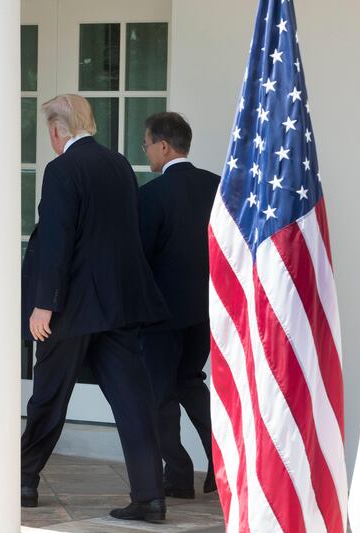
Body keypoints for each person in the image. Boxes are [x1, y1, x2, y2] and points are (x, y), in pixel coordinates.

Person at [20, 94, 170, 523]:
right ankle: (150, 495)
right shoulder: (119, 164)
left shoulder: (62, 168)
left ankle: (25, 480)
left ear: (55, 131)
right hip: (117, 305)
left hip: (70, 309)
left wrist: (43, 305)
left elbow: (57, 240)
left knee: (49, 396)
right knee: (133, 400)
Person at [138, 112, 220, 499]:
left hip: (161, 314)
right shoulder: (218, 187)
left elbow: (142, 257)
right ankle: (220, 466)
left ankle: (179, 473)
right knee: (191, 382)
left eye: (147, 143)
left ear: (164, 146)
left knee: (160, 393)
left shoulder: (151, 195)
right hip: (206, 311)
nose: (146, 151)